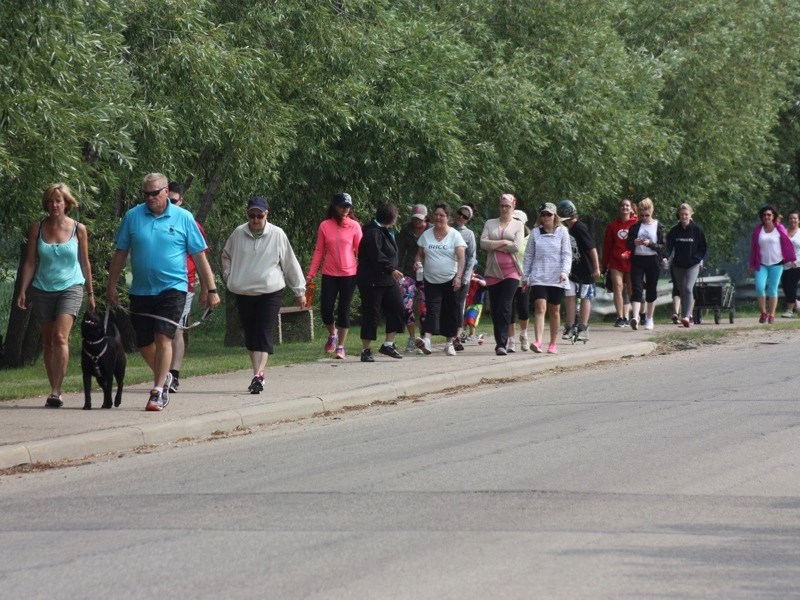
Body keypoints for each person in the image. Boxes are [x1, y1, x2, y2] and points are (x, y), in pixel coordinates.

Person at [107, 173, 220, 411]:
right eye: (146, 194)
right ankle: (165, 375)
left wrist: (211, 289)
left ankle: (158, 391)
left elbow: (200, 256)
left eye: (154, 193)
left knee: (163, 336)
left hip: (173, 289)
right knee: (145, 343)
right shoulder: (132, 217)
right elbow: (120, 254)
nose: (150, 198)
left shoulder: (184, 218)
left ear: (166, 192)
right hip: (141, 290)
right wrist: (111, 285)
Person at [16, 183, 95, 408]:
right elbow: (31, 262)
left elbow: (85, 263)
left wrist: (90, 293)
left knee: (61, 337)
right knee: (49, 341)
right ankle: (54, 387)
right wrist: (23, 289)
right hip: (42, 289)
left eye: (58, 201)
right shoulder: (37, 228)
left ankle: (56, 391)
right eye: (50, 201)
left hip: (71, 287)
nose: (54, 205)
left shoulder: (79, 229)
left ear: (66, 203)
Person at [222, 196, 306, 393]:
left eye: (259, 215)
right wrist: (228, 276)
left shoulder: (277, 234)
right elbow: (226, 255)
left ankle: (258, 375)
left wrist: (299, 291)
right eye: (252, 215)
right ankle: (257, 373)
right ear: (247, 214)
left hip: (270, 291)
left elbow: (290, 263)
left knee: (263, 331)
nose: (255, 220)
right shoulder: (238, 233)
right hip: (243, 291)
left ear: (266, 214)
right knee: (251, 336)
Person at [306, 192, 362, 360]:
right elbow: (319, 251)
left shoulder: (354, 226)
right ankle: (333, 334)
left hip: (349, 274)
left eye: (348, 206)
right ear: (334, 206)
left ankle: (341, 347)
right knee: (326, 309)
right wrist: (311, 273)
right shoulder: (325, 225)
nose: (345, 209)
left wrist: (366, 271)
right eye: (342, 206)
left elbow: (361, 250)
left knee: (343, 310)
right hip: (329, 273)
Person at [167, 181, 209, 392]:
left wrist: (206, 288)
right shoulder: (154, 220)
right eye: (167, 201)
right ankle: (163, 373)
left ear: (181, 201)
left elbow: (201, 257)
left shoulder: (189, 222)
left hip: (185, 285)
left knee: (176, 330)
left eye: (174, 201)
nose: (170, 205)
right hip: (157, 286)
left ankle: (173, 375)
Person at [414, 203, 466, 356]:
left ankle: (449, 343)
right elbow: (419, 254)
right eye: (436, 214)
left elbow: (461, 258)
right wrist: (417, 262)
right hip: (431, 279)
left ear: (448, 218)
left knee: (449, 311)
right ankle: (427, 341)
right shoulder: (426, 235)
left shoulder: (455, 235)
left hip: (450, 279)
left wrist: (458, 277)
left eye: (442, 215)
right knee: (432, 310)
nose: (438, 218)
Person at [356, 203, 405, 362]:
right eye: (396, 216)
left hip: (388, 281)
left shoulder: (385, 230)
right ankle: (365, 349)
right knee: (372, 314)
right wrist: (391, 269)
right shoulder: (373, 232)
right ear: (392, 217)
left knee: (398, 307)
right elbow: (376, 255)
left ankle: (388, 344)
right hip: (372, 281)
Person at [521, 202, 571, 354]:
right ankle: (538, 341)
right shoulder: (535, 232)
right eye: (543, 214)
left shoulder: (563, 232)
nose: (546, 217)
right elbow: (529, 255)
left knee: (554, 309)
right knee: (539, 306)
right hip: (539, 276)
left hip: (557, 277)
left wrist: (564, 272)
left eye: (549, 214)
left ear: (555, 216)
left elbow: (566, 254)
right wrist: (525, 276)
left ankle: (553, 343)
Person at [480, 193, 525, 356]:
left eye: (508, 206)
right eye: (502, 206)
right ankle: (499, 339)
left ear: (513, 207)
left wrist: (494, 245)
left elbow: (516, 247)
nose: (505, 209)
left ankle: (502, 344)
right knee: (495, 308)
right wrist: (504, 243)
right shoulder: (490, 223)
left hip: (511, 272)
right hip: (492, 271)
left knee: (505, 306)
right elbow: (483, 243)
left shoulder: (518, 225)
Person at [557, 199, 601, 341]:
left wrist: (596, 268)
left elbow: (591, 248)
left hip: (585, 270)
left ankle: (583, 327)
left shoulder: (579, 227)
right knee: (570, 297)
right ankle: (569, 327)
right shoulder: (565, 229)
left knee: (585, 297)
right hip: (571, 270)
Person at [749, 204, 797, 324]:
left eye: (769, 214)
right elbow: (754, 248)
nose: (767, 217)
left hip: (777, 263)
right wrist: (751, 264)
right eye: (764, 215)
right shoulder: (758, 230)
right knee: (760, 287)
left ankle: (772, 314)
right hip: (762, 264)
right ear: (762, 217)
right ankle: (764, 312)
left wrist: (792, 258)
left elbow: (787, 245)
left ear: (773, 216)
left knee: (772, 289)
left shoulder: (779, 228)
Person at [625, 198, 666, 331]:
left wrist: (651, 244)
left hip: (653, 259)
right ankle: (635, 317)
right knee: (637, 288)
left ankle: (649, 318)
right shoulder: (635, 226)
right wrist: (634, 243)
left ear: (652, 211)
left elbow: (663, 246)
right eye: (642, 215)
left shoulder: (658, 226)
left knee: (651, 289)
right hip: (638, 259)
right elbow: (628, 244)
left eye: (647, 215)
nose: (644, 218)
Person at [665, 203, 707, 328]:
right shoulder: (674, 230)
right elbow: (668, 247)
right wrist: (665, 257)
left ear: (691, 215)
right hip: (678, 264)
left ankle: (687, 317)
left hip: (692, 264)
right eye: (682, 214)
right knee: (681, 290)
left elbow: (703, 247)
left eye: (686, 214)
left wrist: (697, 259)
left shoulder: (697, 230)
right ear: (679, 215)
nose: (684, 217)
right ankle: (685, 314)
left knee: (688, 288)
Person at [397, 204, 430, 353]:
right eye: (414, 218)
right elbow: (400, 251)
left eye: (420, 219)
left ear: (425, 218)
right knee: (405, 304)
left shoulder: (432, 230)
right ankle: (412, 337)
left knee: (425, 308)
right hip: (410, 272)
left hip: (428, 274)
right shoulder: (406, 230)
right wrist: (396, 270)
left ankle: (424, 340)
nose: (416, 221)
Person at [602, 198, 637, 327]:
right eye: (622, 205)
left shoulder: (636, 224)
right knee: (618, 287)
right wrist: (604, 265)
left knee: (631, 289)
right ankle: (620, 317)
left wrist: (630, 254)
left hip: (631, 261)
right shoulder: (612, 225)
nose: (625, 207)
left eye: (627, 205)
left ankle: (635, 315)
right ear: (619, 208)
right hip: (615, 261)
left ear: (631, 208)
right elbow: (607, 246)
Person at [452, 204, 477, 351]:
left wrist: (465, 277)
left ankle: (457, 336)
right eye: (460, 213)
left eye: (465, 216)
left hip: (462, 276)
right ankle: (450, 335)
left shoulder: (469, 234)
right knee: (448, 305)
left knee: (459, 306)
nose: (461, 217)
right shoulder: (448, 229)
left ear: (468, 220)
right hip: (447, 273)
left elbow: (471, 256)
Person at [506, 209, 531, 352]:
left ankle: (524, 334)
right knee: (509, 309)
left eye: (517, 220)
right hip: (509, 277)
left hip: (524, 279)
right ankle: (511, 340)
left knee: (524, 310)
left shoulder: (530, 238)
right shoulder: (508, 236)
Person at [780, 210, 800, 318]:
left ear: (799, 220)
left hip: (797, 264)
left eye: (795, 218)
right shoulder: (783, 232)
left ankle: (789, 311)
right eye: (791, 218)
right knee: (785, 286)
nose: (793, 220)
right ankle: (796, 303)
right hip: (784, 264)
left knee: (791, 286)